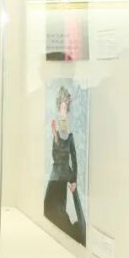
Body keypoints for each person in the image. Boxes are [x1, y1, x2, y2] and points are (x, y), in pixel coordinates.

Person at [43, 86, 86, 244]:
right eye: (61, 106)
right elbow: (56, 156)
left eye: (65, 107)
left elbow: (73, 158)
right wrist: (55, 138)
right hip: (56, 177)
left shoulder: (68, 133)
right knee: (50, 210)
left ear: (67, 109)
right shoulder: (60, 130)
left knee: (55, 212)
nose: (63, 111)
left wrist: (73, 179)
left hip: (61, 178)